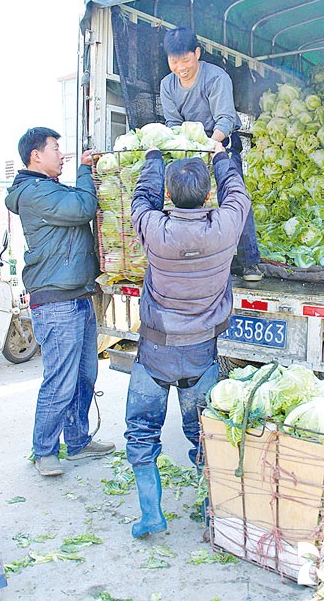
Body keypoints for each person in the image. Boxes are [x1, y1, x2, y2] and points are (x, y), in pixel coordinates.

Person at [125, 142, 251, 538]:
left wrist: (152, 160)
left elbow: (140, 199)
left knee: (141, 431)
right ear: (208, 195)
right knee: (203, 433)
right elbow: (239, 193)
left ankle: (150, 515)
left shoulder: (155, 230)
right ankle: (210, 510)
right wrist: (221, 158)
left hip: (155, 351)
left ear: (168, 195)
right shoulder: (225, 227)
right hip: (201, 353)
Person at [5, 127, 115, 477]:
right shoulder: (32, 193)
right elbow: (83, 207)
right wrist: (86, 170)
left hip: (77, 294)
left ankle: (79, 441)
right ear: (36, 155)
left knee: (85, 374)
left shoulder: (48, 188)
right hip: (55, 301)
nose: (61, 154)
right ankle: (45, 450)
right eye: (56, 148)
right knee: (60, 379)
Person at [160, 26, 263, 282]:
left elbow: (225, 119)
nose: (180, 66)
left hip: (220, 143)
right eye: (174, 61)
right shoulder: (167, 85)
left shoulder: (216, 77)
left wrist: (209, 147)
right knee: (192, 202)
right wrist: (187, 149)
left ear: (197, 53)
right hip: (188, 146)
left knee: (234, 197)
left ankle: (250, 262)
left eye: (185, 59)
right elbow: (173, 123)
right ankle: (207, 262)